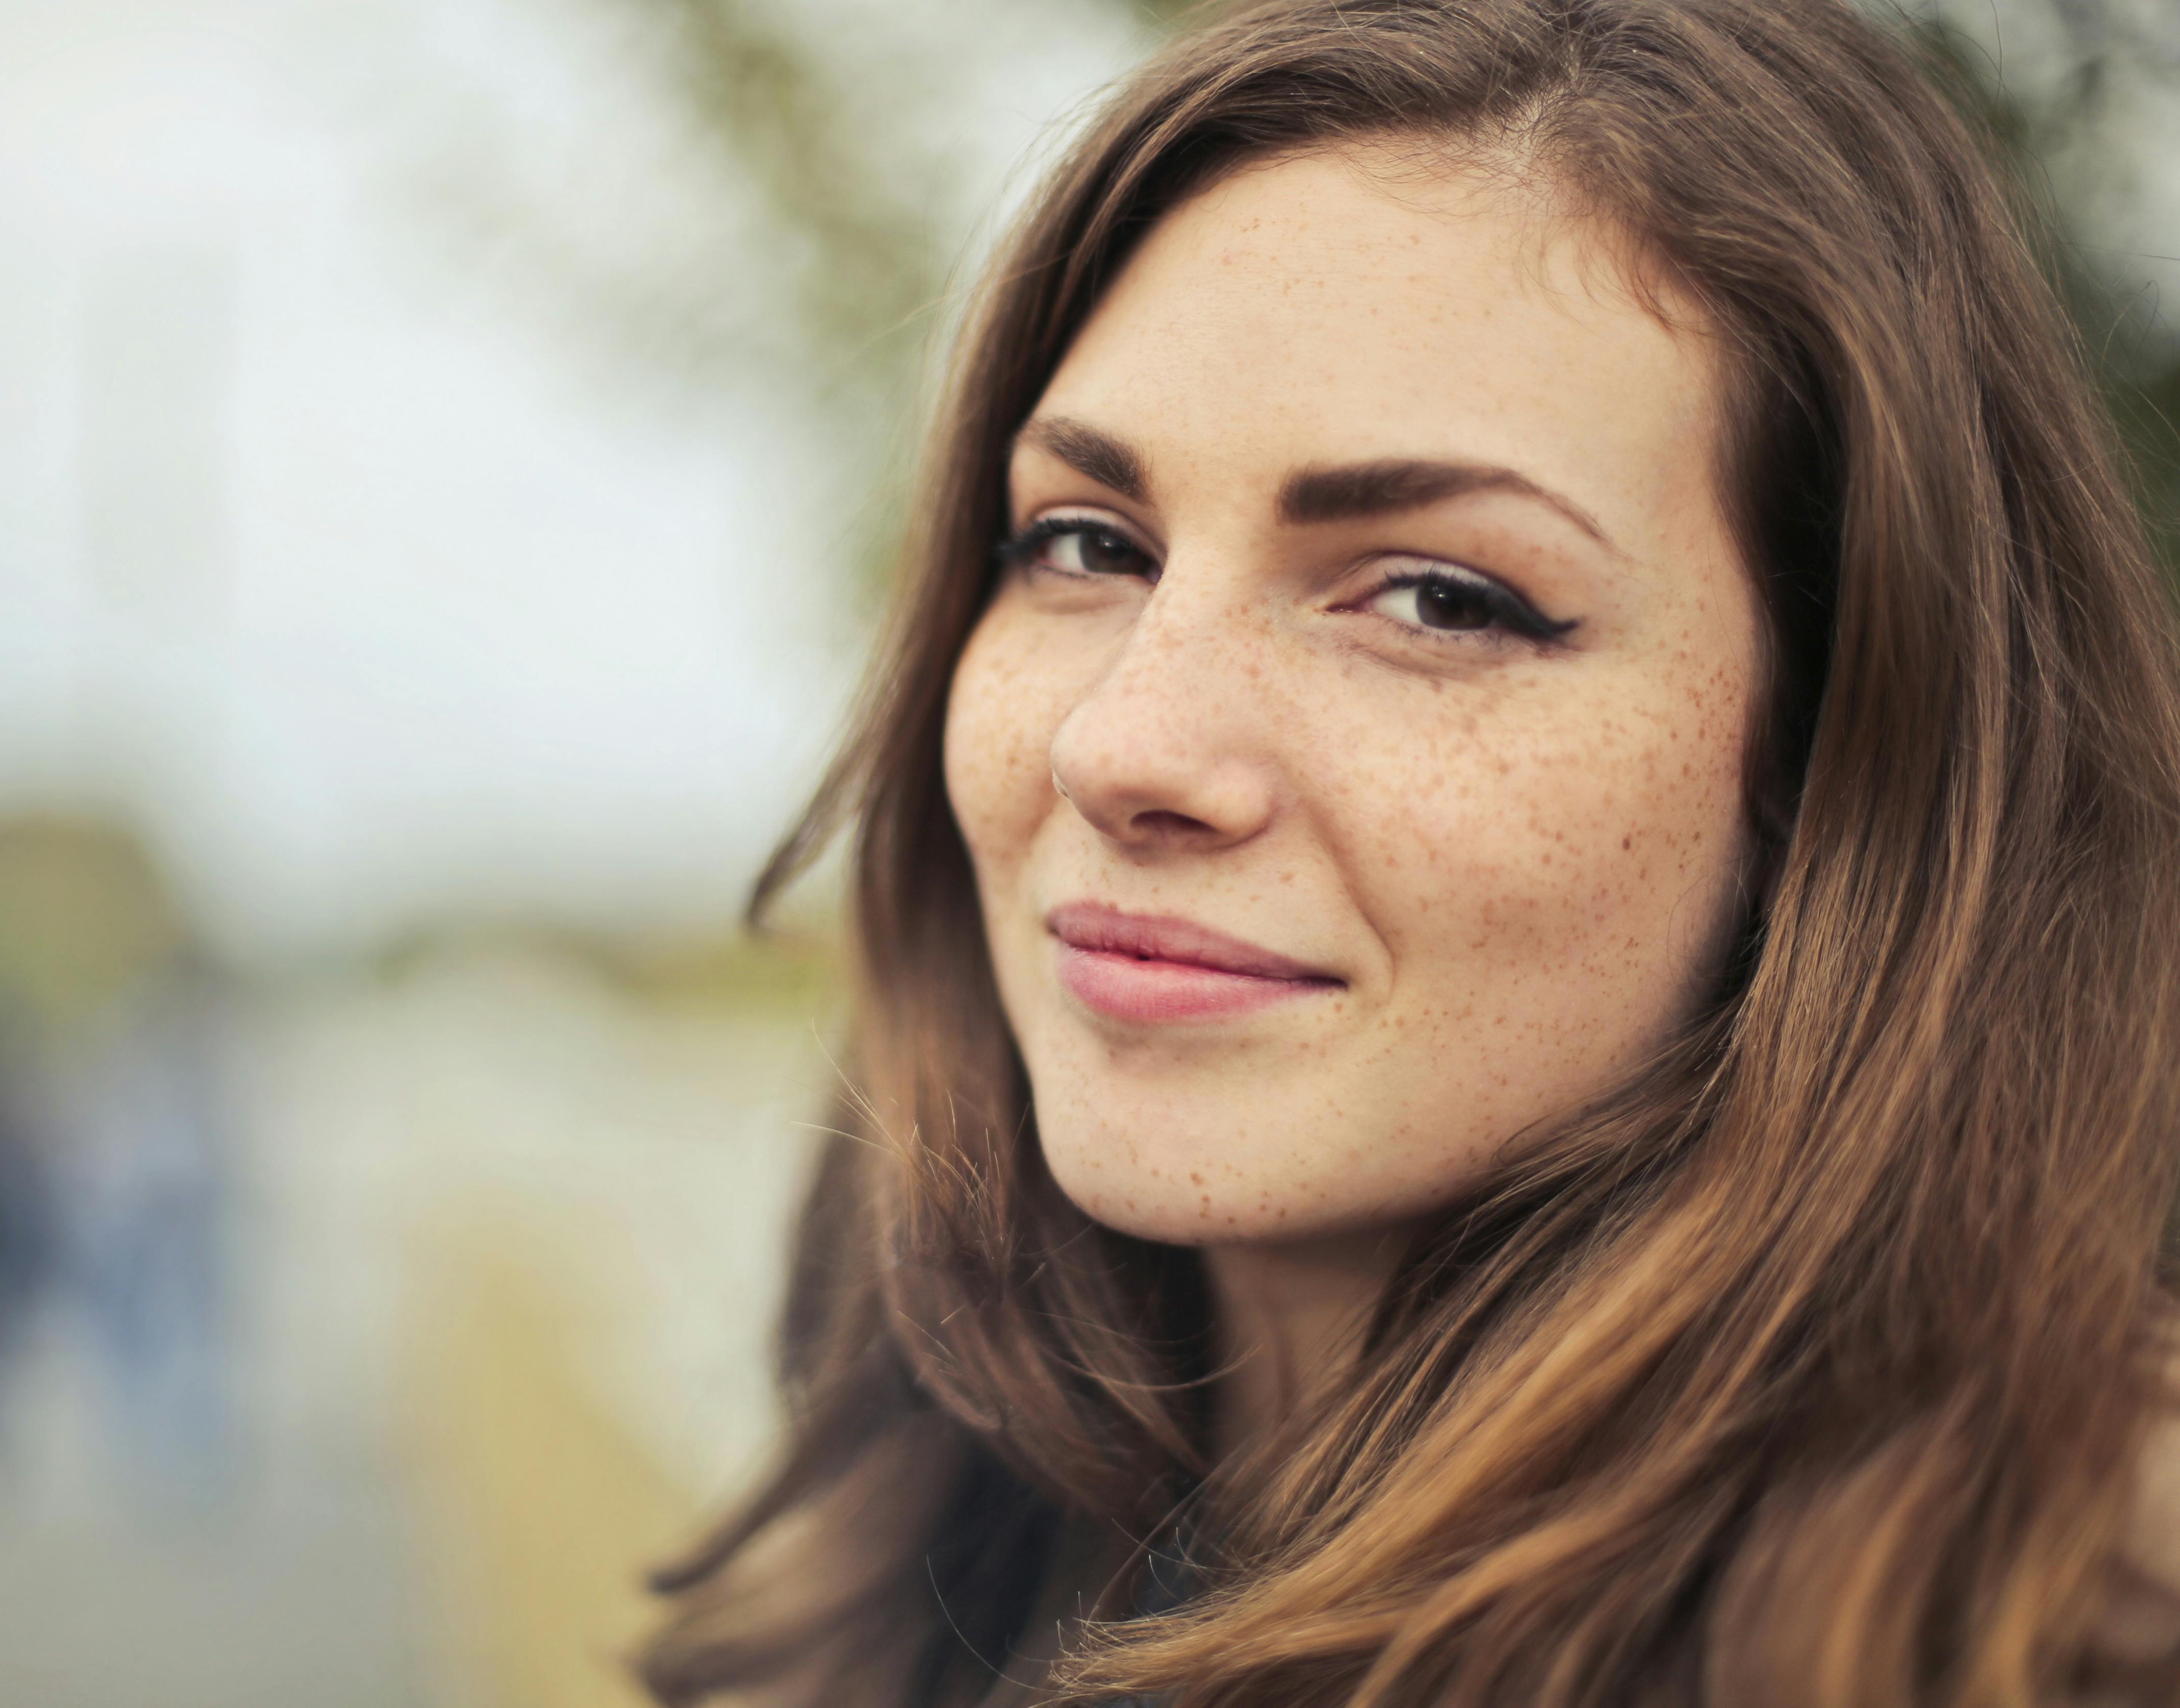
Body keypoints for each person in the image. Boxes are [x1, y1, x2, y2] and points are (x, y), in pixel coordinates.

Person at [641, 2, 2180, 1703]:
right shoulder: (936, 1557)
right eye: (1088, 544)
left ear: (1841, 767)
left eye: (1439, 598)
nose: (1124, 747)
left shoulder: (2049, 1639)